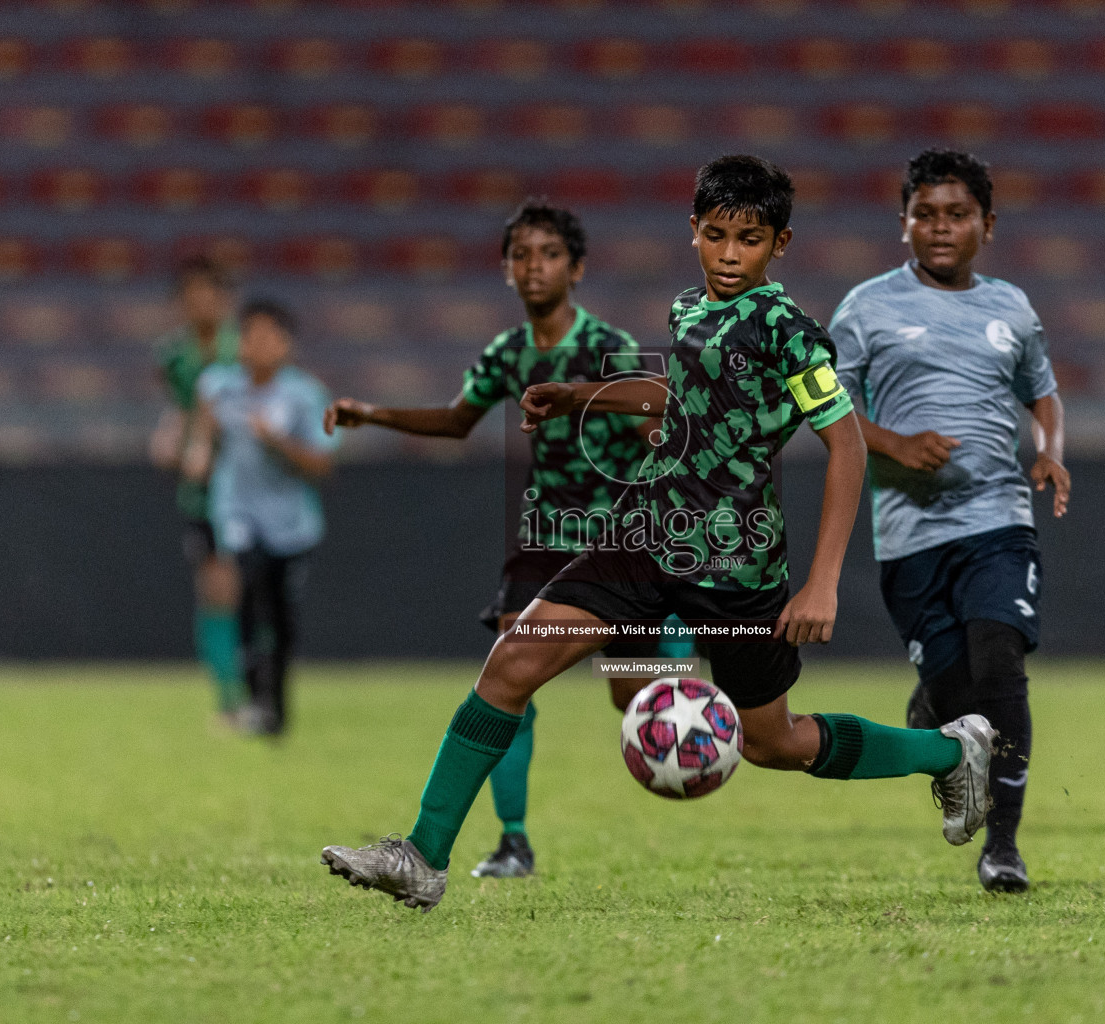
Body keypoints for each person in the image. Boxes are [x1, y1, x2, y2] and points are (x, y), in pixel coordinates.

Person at [318, 154, 996, 913]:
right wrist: (585, 396)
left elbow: (845, 443)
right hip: (647, 537)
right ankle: (422, 856)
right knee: (511, 664)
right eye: (716, 235)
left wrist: (824, 579)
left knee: (774, 743)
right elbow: (681, 394)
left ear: (782, 244)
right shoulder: (689, 310)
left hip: (737, 566)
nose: (731, 254)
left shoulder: (788, 332)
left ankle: (949, 749)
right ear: (694, 233)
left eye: (750, 239)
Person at [324, 199, 692, 879]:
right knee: (508, 665)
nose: (533, 267)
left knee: (627, 694)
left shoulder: (608, 347)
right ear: (505, 269)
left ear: (576, 267)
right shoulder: (507, 352)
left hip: (612, 536)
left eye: (548, 253)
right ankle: (512, 839)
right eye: (520, 255)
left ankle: (673, 647)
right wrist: (371, 412)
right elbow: (458, 420)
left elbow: (657, 428)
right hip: (543, 534)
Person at [828, 148, 1068, 895]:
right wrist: (894, 444)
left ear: (986, 225)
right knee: (961, 699)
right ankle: (934, 701)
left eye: (956, 214)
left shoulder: (1013, 309)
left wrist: (1050, 451)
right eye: (924, 214)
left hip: (999, 517)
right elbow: (825, 407)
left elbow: (1044, 395)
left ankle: (1002, 846)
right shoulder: (864, 309)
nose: (940, 227)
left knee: (1000, 662)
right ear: (903, 225)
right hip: (909, 536)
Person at [184, 299, 338, 736]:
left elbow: (322, 465)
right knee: (247, 592)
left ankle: (277, 704)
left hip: (290, 523)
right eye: (250, 336)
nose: (258, 346)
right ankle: (253, 699)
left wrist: (277, 443)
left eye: (269, 337)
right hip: (236, 510)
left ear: (286, 345)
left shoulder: (305, 395)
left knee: (282, 611)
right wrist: (198, 452)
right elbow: (204, 432)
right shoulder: (218, 386)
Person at [148, 256, 244, 721]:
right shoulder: (172, 355)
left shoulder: (248, 348)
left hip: (249, 489)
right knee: (214, 589)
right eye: (190, 297)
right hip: (202, 491)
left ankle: (257, 688)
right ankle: (229, 694)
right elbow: (180, 407)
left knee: (247, 588)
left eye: (208, 294)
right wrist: (170, 435)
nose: (199, 304)